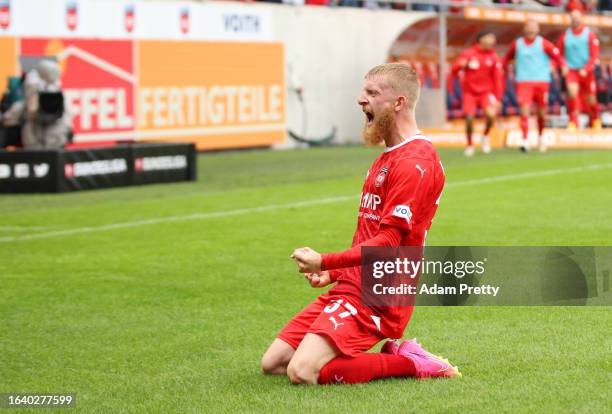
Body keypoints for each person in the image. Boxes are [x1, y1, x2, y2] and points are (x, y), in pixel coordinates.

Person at [261, 63, 459, 385]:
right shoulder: (387, 156)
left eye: (371, 93)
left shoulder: (414, 162)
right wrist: (334, 273)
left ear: (398, 103)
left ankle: (410, 362)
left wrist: (325, 259)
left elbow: (388, 243)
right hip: (353, 284)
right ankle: (375, 355)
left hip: (381, 293)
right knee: (274, 362)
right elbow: (368, 234)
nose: (359, 99)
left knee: (302, 371)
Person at [503, 19, 566, 152]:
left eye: (533, 27)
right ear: (524, 29)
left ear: (538, 30)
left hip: (542, 82)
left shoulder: (544, 43)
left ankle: (541, 137)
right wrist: (503, 69)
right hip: (524, 82)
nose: (531, 29)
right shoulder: (517, 44)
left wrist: (562, 66)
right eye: (528, 27)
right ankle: (525, 140)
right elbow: (506, 58)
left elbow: (558, 57)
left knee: (541, 112)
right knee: (524, 110)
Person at [451, 31, 504, 156]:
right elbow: (454, 71)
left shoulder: (494, 57)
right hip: (469, 93)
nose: (492, 40)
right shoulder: (468, 54)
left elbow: (498, 80)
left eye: (493, 38)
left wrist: (498, 98)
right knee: (469, 119)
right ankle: (470, 144)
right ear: (481, 39)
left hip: (486, 92)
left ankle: (485, 136)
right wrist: (459, 65)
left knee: (491, 115)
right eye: (490, 37)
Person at [557, 9, 601, 130]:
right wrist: (563, 65)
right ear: (570, 19)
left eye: (577, 17)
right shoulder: (565, 36)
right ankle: (573, 121)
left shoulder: (589, 35)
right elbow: (559, 54)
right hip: (572, 70)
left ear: (581, 18)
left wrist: (586, 68)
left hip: (587, 70)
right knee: (572, 93)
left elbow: (594, 55)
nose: (575, 19)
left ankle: (595, 119)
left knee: (591, 98)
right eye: (573, 17)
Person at [22, 59, 71, 149]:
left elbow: (67, 115)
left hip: (55, 135)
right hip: (36, 135)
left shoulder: (58, 90)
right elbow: (30, 111)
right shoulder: (33, 88)